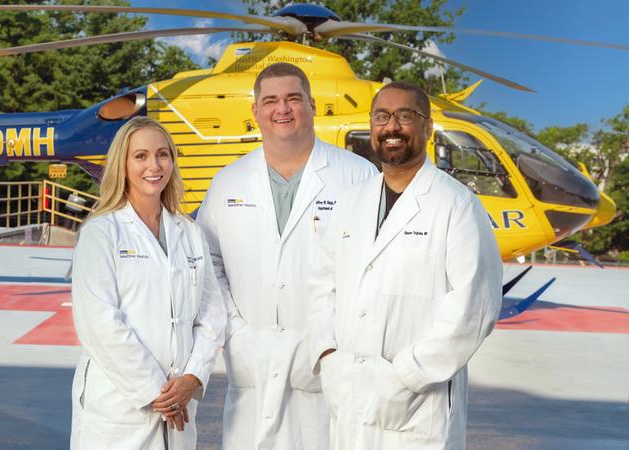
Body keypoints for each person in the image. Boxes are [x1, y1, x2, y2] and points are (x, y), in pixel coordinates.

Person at [308, 81, 502, 449]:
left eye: (405, 116)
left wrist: (407, 376)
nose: (392, 127)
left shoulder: (455, 204)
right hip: (348, 392)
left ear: (427, 128)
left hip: (417, 405)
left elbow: (475, 308)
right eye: (382, 116)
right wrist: (327, 353)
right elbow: (322, 284)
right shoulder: (351, 201)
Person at [197, 62, 378, 449]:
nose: (283, 109)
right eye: (271, 100)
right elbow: (208, 264)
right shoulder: (228, 181)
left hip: (330, 358)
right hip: (251, 359)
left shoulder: (358, 176)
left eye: (294, 98)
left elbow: (372, 268)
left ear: (313, 105)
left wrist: (330, 340)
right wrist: (235, 331)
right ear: (256, 112)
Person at [69, 116, 226, 450]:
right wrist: (160, 393)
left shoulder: (190, 233)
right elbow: (100, 324)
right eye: (140, 156)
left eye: (162, 154)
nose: (154, 165)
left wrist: (193, 377)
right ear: (122, 165)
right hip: (121, 407)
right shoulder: (101, 233)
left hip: (181, 403)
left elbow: (212, 315)